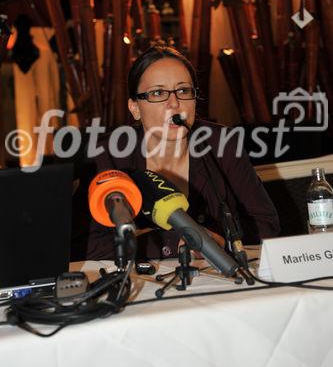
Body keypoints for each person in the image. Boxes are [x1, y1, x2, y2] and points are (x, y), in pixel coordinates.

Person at [71, 46, 280, 261]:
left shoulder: (222, 142)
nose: (174, 104)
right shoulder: (107, 155)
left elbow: (266, 224)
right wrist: (174, 242)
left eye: (183, 91)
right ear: (134, 108)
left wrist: (216, 239)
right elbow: (81, 244)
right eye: (158, 93)